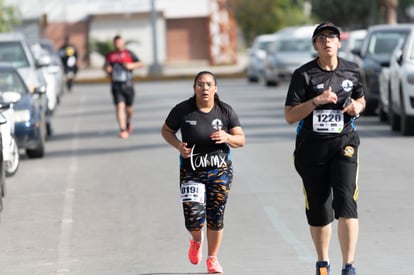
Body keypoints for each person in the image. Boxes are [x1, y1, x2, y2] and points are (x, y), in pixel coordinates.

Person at [284, 22, 365, 275]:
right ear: (315, 45)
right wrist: (316, 101)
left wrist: (357, 108)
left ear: (339, 43)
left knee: (346, 201)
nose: (327, 41)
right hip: (311, 147)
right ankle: (322, 263)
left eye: (332, 37)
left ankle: (348, 265)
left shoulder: (352, 71)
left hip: (344, 144)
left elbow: (361, 99)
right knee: (319, 208)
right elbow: (289, 115)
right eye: (321, 38)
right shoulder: (303, 75)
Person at [161, 71, 245, 274]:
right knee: (193, 216)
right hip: (191, 171)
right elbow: (166, 131)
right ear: (194, 88)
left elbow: (241, 140)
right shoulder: (183, 110)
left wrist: (227, 137)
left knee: (216, 216)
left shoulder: (225, 111)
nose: (204, 88)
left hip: (220, 170)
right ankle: (196, 240)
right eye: (200, 84)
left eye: (209, 84)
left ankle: (212, 258)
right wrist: (179, 146)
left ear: (215, 88)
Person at [103, 35, 143, 139]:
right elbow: (105, 66)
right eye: (116, 43)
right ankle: (123, 129)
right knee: (119, 107)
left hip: (128, 84)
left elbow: (140, 63)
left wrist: (131, 66)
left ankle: (128, 122)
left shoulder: (129, 53)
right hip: (116, 85)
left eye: (119, 42)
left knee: (129, 109)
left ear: (123, 43)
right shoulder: (110, 55)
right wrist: (107, 69)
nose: (118, 44)